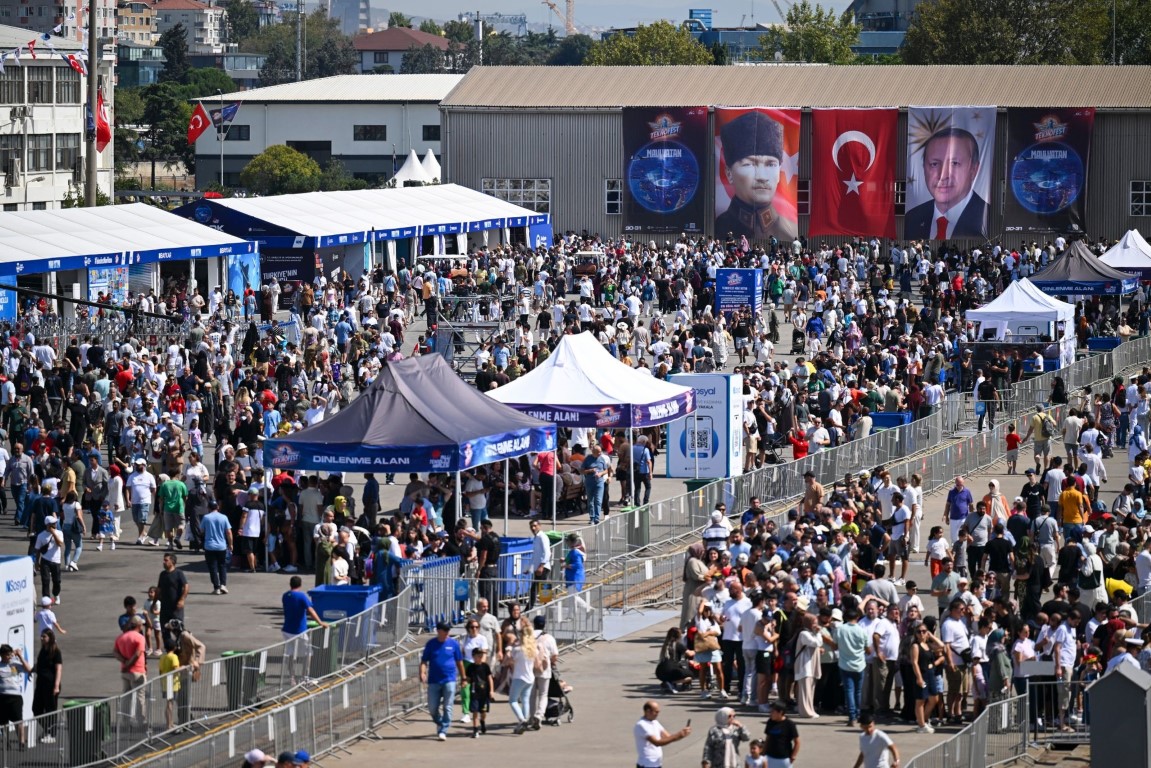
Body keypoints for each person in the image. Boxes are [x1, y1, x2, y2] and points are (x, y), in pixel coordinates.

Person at [715, 110, 798, 242]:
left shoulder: (791, 232)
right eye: (749, 164)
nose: (761, 177)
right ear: (729, 173)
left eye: (770, 164)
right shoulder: (717, 229)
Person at [904, 127, 988, 240]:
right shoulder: (912, 218)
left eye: (954, 163)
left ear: (974, 169)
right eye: (934, 164)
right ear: (924, 168)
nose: (943, 176)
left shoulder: (988, 217)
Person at [419, 620, 465, 741]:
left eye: (448, 630)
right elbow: (424, 661)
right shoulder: (431, 644)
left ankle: (443, 729)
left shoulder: (453, 644)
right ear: (439, 631)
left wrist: (463, 677)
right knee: (432, 707)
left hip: (449, 679)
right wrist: (422, 672)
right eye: (445, 630)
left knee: (447, 706)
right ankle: (439, 722)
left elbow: (459, 662)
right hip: (434, 680)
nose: (447, 633)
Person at [281, 575, 328, 685]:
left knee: (290, 654)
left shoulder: (285, 595)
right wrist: (320, 623)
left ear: (290, 584)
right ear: (300, 585)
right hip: (299, 630)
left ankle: (292, 678)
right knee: (308, 653)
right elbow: (311, 610)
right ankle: (304, 677)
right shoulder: (301, 596)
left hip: (287, 629)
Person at [634, 700, 691, 768]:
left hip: (656, 764)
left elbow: (668, 737)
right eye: (656, 711)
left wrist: (682, 734)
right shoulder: (642, 725)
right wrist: (678, 735)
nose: (658, 713)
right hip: (647, 764)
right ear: (648, 711)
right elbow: (657, 742)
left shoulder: (655, 722)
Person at [113, 615, 147, 727]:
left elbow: (115, 652)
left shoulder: (121, 637)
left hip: (125, 671)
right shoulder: (140, 637)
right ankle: (141, 721)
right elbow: (138, 653)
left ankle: (126, 721)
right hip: (137, 670)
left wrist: (124, 661)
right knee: (139, 697)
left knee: (126, 696)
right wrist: (130, 663)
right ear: (138, 625)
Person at [32, 629, 62, 743]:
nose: (41, 638)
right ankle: (47, 729)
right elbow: (39, 665)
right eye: (41, 636)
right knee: (36, 709)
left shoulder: (55, 651)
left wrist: (56, 685)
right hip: (40, 684)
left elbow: (58, 669)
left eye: (44, 636)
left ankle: (52, 734)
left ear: (50, 637)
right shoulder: (42, 650)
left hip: (51, 685)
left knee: (51, 710)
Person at [0, 644, 31, 746]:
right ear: (2, 655)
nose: (10, 657)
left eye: (10, 654)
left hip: (15, 696)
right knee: (3, 722)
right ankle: (6, 741)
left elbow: (28, 669)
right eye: (7, 655)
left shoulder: (14, 664)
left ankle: (21, 742)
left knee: (18, 720)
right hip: (3, 696)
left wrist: (20, 657)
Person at [201, 499, 233, 595]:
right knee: (222, 566)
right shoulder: (224, 517)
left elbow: (202, 531)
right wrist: (231, 544)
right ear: (218, 507)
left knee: (212, 567)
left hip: (209, 546)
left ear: (209, 508)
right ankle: (223, 584)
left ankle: (216, 587)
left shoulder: (206, 518)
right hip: (221, 546)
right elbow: (229, 532)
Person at [762, 700, 800, 768]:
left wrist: (793, 756)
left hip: (784, 759)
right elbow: (768, 738)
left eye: (773, 711)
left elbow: (797, 742)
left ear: (780, 712)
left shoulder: (789, 724)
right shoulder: (770, 722)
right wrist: (763, 753)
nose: (770, 713)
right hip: (769, 757)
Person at [526, 518, 551, 610]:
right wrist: (529, 568)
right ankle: (546, 607)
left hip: (543, 567)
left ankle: (531, 607)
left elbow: (547, 552)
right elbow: (536, 555)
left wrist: (541, 566)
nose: (533, 528)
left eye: (535, 526)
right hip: (538, 567)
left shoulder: (542, 537)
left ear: (539, 526)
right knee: (539, 588)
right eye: (531, 526)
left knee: (539, 588)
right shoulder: (536, 537)